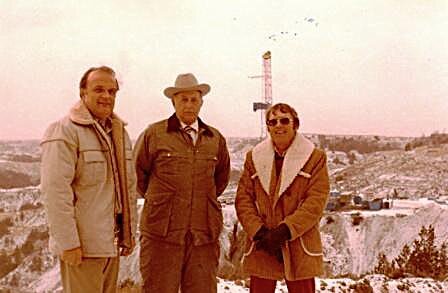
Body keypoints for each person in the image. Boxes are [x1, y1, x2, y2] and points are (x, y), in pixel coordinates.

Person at [40, 66, 137, 293]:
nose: (106, 96)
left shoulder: (119, 133)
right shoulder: (64, 131)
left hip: (110, 245)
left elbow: (127, 188)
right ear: (83, 92)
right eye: (99, 90)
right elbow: (55, 193)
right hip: (83, 249)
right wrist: (68, 244)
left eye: (112, 91)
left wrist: (128, 234)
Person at [134, 73, 230, 293]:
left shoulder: (214, 139)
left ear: (201, 102)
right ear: (173, 101)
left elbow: (219, 181)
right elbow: (139, 178)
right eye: (183, 99)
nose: (189, 104)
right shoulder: (154, 134)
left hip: (202, 236)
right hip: (162, 235)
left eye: (194, 99)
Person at [235, 103, 329, 293]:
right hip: (263, 242)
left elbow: (316, 202)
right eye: (273, 121)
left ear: (295, 124)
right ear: (268, 127)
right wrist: (259, 233)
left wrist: (285, 230)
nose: (279, 125)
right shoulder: (253, 157)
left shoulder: (314, 158)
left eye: (284, 120)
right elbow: (243, 199)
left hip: (298, 241)